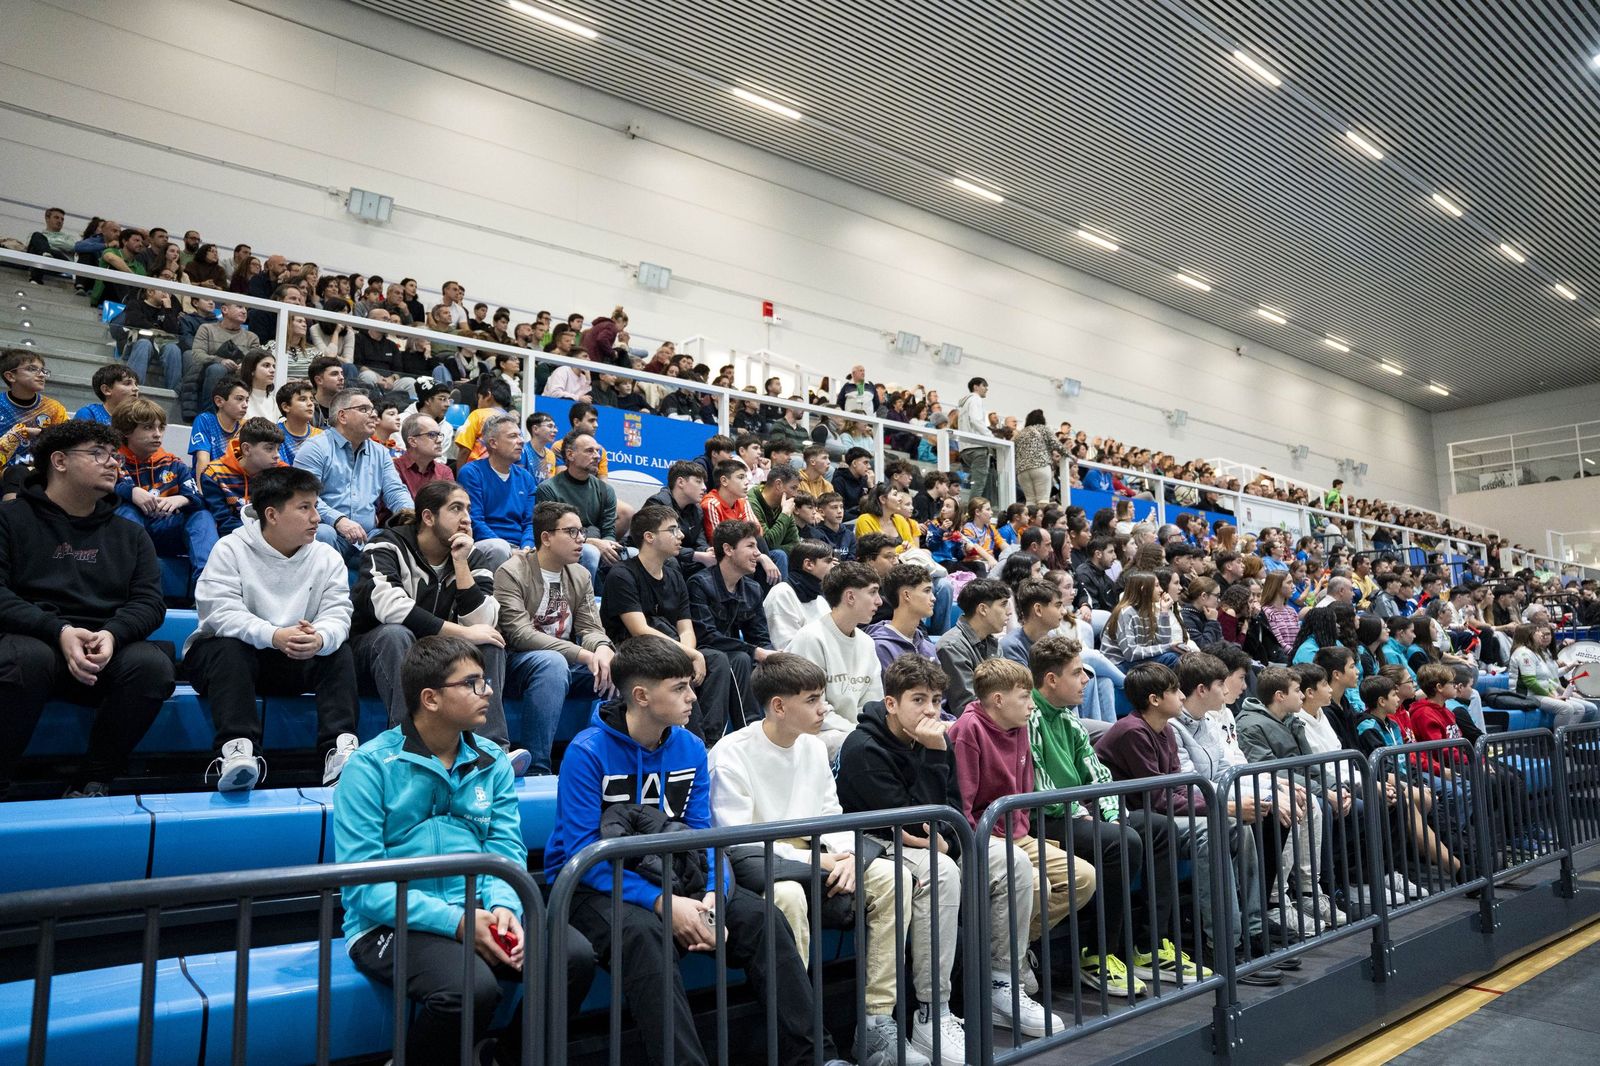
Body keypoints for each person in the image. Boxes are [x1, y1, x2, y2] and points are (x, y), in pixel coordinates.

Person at [544, 639, 845, 1066]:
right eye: (680, 688)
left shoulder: (688, 747)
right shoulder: (586, 751)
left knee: (762, 918)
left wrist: (713, 895)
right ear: (643, 696)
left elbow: (704, 837)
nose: (692, 697)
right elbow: (583, 855)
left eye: (690, 686)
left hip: (677, 875)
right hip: (594, 886)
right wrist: (665, 904)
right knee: (645, 935)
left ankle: (816, 1057)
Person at [335, 635, 574, 1063]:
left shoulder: (492, 759)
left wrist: (504, 905)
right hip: (389, 923)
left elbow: (505, 848)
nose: (488, 693)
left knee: (571, 956)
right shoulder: (369, 767)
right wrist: (459, 922)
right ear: (430, 698)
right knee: (471, 989)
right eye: (473, 684)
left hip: (479, 908)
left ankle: (505, 1057)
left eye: (485, 682)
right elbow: (363, 886)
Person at [708, 653, 925, 1066]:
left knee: (891, 876)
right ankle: (802, 1030)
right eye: (812, 699)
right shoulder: (730, 754)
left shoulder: (812, 747)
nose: (824, 707)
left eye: (822, 697)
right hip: (765, 867)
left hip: (819, 856)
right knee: (787, 894)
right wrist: (824, 863)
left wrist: (845, 857)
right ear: (778, 706)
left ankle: (878, 1024)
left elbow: (831, 816)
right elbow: (740, 843)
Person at [836, 655, 1058, 1057]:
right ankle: (931, 1012)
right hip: (876, 845)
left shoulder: (939, 739)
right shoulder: (863, 748)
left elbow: (955, 813)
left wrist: (950, 839)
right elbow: (914, 824)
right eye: (918, 700)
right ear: (891, 704)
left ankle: (1001, 983)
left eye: (936, 700)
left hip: (933, 840)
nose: (930, 711)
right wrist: (935, 758)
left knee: (1012, 861)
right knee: (940, 872)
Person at [0, 420, 175, 797]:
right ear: (59, 461)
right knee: (22, 658)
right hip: (32, 639)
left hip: (102, 646)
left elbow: (149, 602)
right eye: (98, 454)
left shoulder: (131, 534)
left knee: (151, 665)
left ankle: (94, 780)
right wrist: (58, 631)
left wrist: (112, 634)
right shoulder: (10, 519)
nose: (113, 463)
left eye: (114, 455)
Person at [184, 467, 358, 791]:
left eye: (316, 506)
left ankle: (340, 752)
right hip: (231, 662)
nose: (316, 517)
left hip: (291, 658)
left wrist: (319, 638)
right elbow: (219, 612)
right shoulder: (230, 549)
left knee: (337, 650)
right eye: (304, 507)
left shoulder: (327, 557)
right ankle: (237, 752)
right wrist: (274, 635)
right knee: (228, 647)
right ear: (272, 514)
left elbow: (339, 612)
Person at [351, 480, 522, 771]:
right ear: (428, 517)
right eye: (456, 509)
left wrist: (461, 564)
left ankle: (487, 750)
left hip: (433, 660)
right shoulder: (387, 543)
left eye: (468, 509)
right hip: (374, 657)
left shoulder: (471, 556)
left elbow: (484, 622)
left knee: (488, 642)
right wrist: (463, 633)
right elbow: (388, 606)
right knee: (395, 634)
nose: (466, 517)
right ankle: (410, 747)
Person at [948, 658, 1092, 984]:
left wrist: (1019, 830)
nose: (1031, 704)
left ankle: (1011, 947)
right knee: (1037, 886)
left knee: (1083, 879)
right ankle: (1003, 965)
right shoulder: (968, 731)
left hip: (1017, 833)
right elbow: (964, 805)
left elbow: (1024, 791)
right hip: (985, 836)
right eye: (1024, 697)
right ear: (998, 700)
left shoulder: (1022, 726)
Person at [602, 503, 743, 744]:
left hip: (671, 648)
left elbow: (686, 627)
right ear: (649, 537)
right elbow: (640, 630)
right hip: (633, 651)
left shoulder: (675, 575)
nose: (682, 535)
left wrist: (689, 652)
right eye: (673, 530)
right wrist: (687, 655)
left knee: (718, 659)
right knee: (672, 657)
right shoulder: (622, 574)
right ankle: (692, 739)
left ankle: (711, 742)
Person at [496, 502, 616, 774]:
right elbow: (519, 633)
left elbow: (590, 628)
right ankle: (538, 768)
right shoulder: (512, 572)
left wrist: (603, 649)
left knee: (622, 669)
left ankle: (601, 764)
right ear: (546, 538)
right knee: (552, 663)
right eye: (572, 532)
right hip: (518, 663)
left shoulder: (580, 574)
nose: (581, 540)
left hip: (566, 662)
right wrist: (583, 654)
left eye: (582, 532)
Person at [294, 388, 414, 565]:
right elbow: (303, 498)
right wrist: (338, 520)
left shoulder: (381, 453)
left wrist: (412, 515)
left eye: (373, 410)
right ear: (342, 416)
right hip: (329, 531)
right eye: (364, 409)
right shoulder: (315, 448)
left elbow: (395, 491)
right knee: (323, 533)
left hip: (367, 536)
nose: (373, 415)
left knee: (398, 535)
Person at [786, 561, 885, 757]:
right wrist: (860, 734)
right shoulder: (811, 638)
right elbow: (813, 708)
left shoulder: (867, 642)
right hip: (813, 734)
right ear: (850, 596)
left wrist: (868, 731)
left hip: (856, 734)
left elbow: (873, 704)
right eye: (872, 592)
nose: (879, 601)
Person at [111, 398, 218, 574]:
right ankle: (125, 582)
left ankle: (208, 585)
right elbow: (101, 493)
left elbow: (200, 500)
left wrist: (183, 498)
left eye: (161, 427)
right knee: (128, 510)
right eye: (148, 427)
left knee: (201, 515)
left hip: (165, 531)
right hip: (124, 532)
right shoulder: (112, 461)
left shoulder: (174, 464)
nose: (157, 434)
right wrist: (131, 492)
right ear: (126, 431)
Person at [688, 519, 775, 731]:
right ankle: (727, 735)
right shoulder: (699, 583)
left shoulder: (752, 589)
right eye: (750, 546)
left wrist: (774, 658)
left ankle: (765, 733)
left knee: (763, 662)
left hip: (735, 653)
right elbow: (706, 636)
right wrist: (756, 652)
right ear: (728, 549)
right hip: (701, 653)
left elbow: (760, 637)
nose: (758, 553)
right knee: (738, 658)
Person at [535, 430, 624, 581]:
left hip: (595, 544)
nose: (597, 456)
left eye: (597, 451)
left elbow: (608, 531)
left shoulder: (605, 490)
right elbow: (551, 534)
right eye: (590, 451)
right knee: (590, 552)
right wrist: (592, 541)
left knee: (632, 555)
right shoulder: (548, 488)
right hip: (561, 548)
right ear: (570, 455)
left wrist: (607, 545)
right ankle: (582, 601)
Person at [456, 412, 535, 571]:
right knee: (499, 548)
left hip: (520, 546)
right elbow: (475, 520)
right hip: (486, 543)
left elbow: (530, 522)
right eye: (513, 436)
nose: (521, 441)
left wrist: (526, 547)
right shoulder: (471, 473)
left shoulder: (526, 478)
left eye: (520, 436)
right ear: (493, 443)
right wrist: (510, 550)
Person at [199, 416, 285, 536]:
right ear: (246, 449)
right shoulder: (214, 474)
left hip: (274, 539)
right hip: (234, 539)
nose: (277, 455)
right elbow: (223, 522)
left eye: (278, 449)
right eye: (269, 448)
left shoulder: (283, 473)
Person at [936, 579, 1011, 715]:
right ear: (983, 609)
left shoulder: (991, 642)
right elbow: (966, 707)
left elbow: (1007, 687)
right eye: (1003, 605)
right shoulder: (952, 646)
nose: (1009, 612)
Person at [1509, 622, 1600, 727]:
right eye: (1538, 631)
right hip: (1526, 695)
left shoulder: (1535, 652)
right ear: (1530, 635)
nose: (1541, 635)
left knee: (1581, 708)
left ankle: (1569, 737)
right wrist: (1552, 696)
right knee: (1566, 708)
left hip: (1539, 694)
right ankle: (1558, 739)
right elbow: (1530, 683)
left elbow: (1546, 679)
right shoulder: (1523, 653)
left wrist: (1558, 693)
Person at [0, 348, 69, 473]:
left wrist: (39, 432)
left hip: (41, 475)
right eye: (32, 369)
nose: (42, 374)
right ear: (11, 376)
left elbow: (67, 442)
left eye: (43, 370)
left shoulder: (54, 408)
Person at [763, 539, 834, 650]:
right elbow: (787, 647)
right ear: (808, 564)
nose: (833, 566)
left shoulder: (819, 598)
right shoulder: (781, 594)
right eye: (828, 561)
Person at [867, 562, 938, 671]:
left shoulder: (928, 647)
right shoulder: (879, 647)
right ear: (906, 595)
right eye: (927, 591)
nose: (933, 598)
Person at [999, 579, 1065, 669]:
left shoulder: (1053, 637)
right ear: (1038, 610)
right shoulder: (1011, 647)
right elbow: (1025, 683)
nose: (1064, 611)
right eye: (1058, 606)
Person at [189, 375, 249, 471]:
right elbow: (202, 461)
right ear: (219, 401)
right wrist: (202, 486)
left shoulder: (245, 427)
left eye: (247, 400)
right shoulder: (205, 420)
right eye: (239, 399)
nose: (245, 405)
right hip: (208, 481)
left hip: (234, 483)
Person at [393, 412, 455, 499]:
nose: (439, 440)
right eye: (432, 435)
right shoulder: (394, 469)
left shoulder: (444, 472)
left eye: (439, 435)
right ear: (413, 441)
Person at [71, 363, 140, 425]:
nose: (136, 388)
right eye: (127, 383)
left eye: (136, 384)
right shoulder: (89, 414)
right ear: (106, 390)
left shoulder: (139, 417)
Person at [275, 379, 323, 464]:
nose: (310, 404)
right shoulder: (274, 435)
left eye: (311, 399)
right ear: (286, 407)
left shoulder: (321, 436)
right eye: (303, 399)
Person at [1073, 536, 1120, 613]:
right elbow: (1094, 608)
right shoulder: (1084, 575)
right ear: (1098, 554)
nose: (1115, 556)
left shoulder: (1102, 573)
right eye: (1110, 552)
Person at [810, 490, 858, 559]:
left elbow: (852, 560)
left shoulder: (849, 534)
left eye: (841, 507)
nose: (839, 511)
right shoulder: (816, 535)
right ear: (821, 512)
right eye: (834, 507)